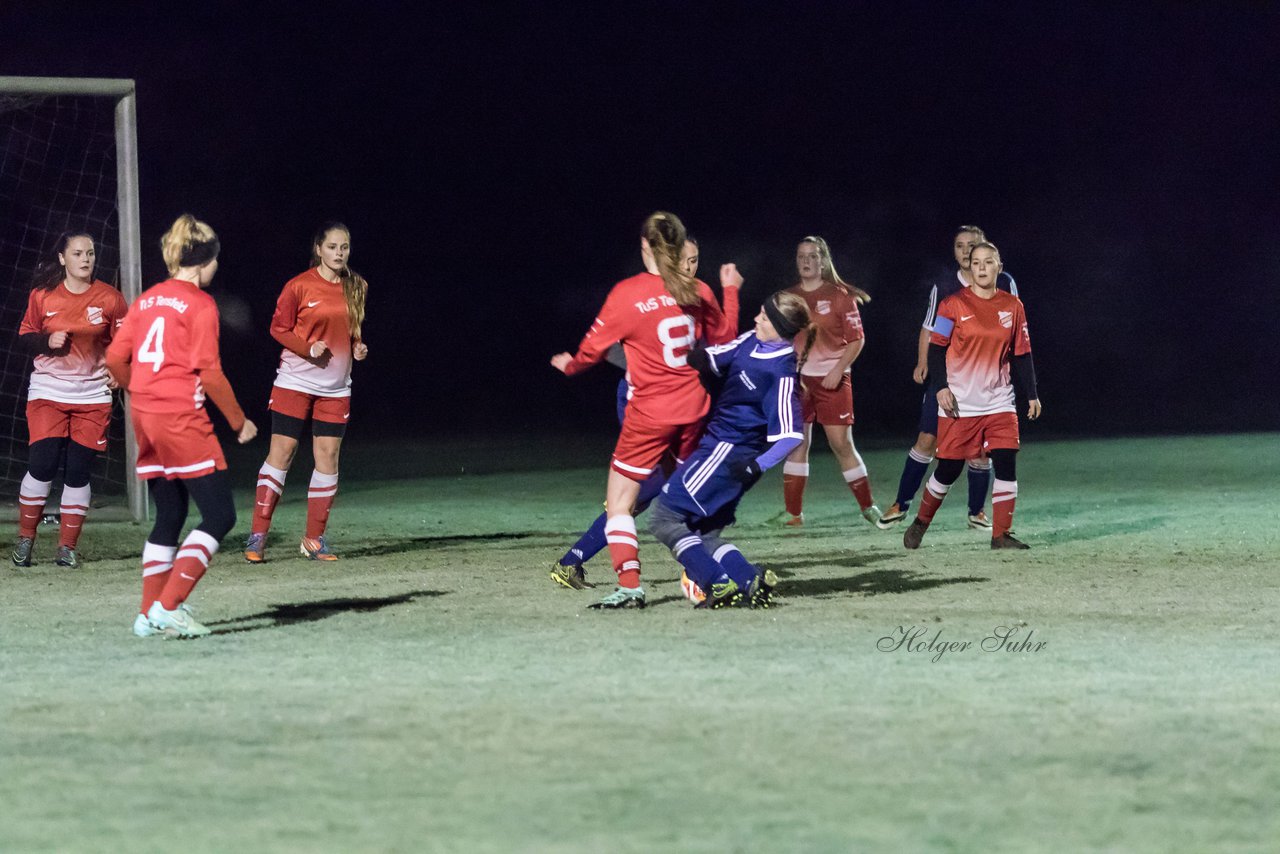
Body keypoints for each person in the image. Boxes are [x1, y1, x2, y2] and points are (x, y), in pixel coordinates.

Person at [551, 211, 736, 608]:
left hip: (651, 413)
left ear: (645, 247)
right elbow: (725, 339)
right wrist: (730, 291)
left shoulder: (628, 294)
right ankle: (713, 573)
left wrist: (570, 365)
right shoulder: (698, 290)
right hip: (694, 408)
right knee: (685, 499)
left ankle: (630, 585)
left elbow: (591, 351)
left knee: (621, 503)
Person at [106, 214, 257, 638]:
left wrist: (139, 390)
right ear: (204, 260)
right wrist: (239, 421)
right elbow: (208, 372)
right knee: (220, 515)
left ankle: (147, 614)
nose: (216, 268)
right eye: (215, 260)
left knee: (170, 512)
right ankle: (169, 606)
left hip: (146, 417)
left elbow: (115, 360)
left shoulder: (148, 299)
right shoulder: (200, 304)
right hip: (180, 418)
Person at [649, 291, 810, 608]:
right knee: (706, 534)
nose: (756, 319)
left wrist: (758, 465)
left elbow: (792, 435)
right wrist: (688, 353)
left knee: (664, 519)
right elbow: (717, 356)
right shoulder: (753, 340)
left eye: (763, 318)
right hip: (723, 452)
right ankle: (750, 581)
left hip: (726, 454)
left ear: (779, 327)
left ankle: (718, 584)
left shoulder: (779, 372)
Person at [878, 225, 1019, 530]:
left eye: (973, 245)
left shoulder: (1005, 284)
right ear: (955, 253)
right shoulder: (944, 288)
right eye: (960, 245)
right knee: (927, 439)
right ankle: (901, 503)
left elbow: (1014, 329)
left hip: (989, 383)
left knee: (983, 449)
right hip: (950, 379)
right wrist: (922, 362)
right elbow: (930, 328)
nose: (967, 251)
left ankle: (976, 511)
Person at [243, 223, 369, 563]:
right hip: (294, 383)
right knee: (282, 454)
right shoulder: (298, 286)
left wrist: (358, 347)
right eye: (332, 246)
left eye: (344, 247)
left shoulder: (357, 286)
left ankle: (314, 540)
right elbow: (278, 328)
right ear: (319, 249)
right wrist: (306, 347)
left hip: (336, 389)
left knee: (327, 457)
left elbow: (353, 328)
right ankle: (257, 537)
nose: (339, 253)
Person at [902, 241, 1040, 550]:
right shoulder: (950, 305)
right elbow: (937, 349)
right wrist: (940, 387)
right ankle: (922, 521)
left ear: (998, 268)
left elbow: (1022, 353)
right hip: (960, 404)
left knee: (1006, 461)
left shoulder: (1013, 306)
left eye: (988, 262)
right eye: (976, 262)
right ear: (970, 268)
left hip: (999, 401)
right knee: (949, 469)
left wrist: (1031, 393)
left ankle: (1001, 534)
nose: (981, 267)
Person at [11, 231, 128, 569]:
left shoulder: (111, 299)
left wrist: (119, 372)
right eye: (77, 253)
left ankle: (67, 548)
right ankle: (25, 538)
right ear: (63, 258)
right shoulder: (42, 295)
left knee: (78, 471)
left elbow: (123, 345)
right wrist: (47, 340)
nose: (85, 259)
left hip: (92, 396)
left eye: (89, 253)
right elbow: (25, 336)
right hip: (48, 391)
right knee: (43, 464)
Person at [776, 236, 880, 526]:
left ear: (823, 261)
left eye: (812, 256)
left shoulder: (839, 295)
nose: (806, 262)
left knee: (841, 445)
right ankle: (793, 515)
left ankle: (869, 508)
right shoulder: (788, 297)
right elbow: (780, 339)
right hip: (799, 382)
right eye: (801, 256)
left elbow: (857, 340)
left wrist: (839, 369)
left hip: (833, 381)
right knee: (797, 443)